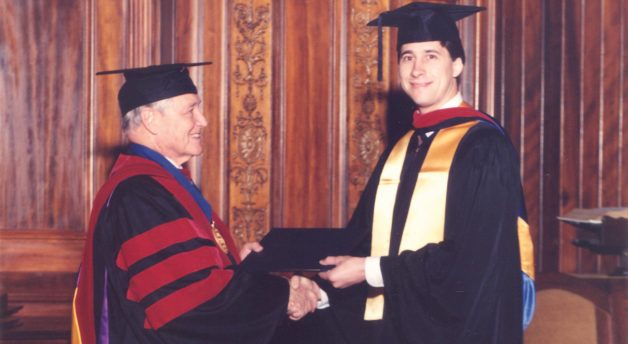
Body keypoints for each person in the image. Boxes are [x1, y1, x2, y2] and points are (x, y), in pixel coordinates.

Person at [314, 2, 536, 343]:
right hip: (399, 327)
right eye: (407, 57)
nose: (417, 69)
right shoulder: (402, 149)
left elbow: (472, 260)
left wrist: (370, 270)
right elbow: (363, 240)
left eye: (431, 55)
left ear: (458, 64)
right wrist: (311, 283)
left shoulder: (483, 147)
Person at [71, 62, 321, 344]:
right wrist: (282, 293)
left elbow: (182, 271)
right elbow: (189, 303)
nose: (203, 120)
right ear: (151, 120)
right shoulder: (140, 193)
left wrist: (236, 266)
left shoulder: (162, 183)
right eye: (191, 110)